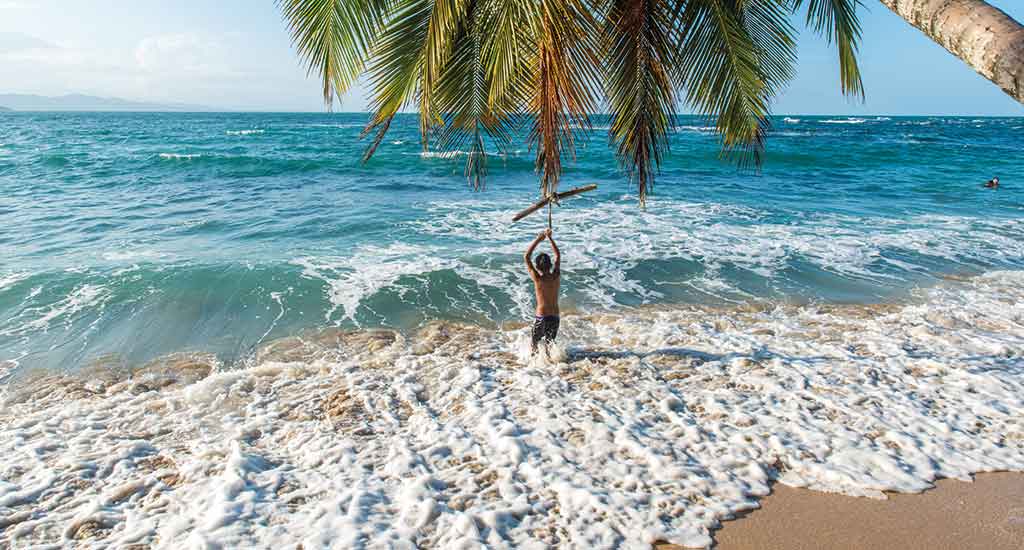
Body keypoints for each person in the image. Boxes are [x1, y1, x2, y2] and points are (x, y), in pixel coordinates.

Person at [525, 228, 561, 354]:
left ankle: (536, 365)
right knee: (549, 344)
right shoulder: (556, 275)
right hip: (555, 316)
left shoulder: (537, 278)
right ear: (550, 264)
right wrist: (550, 238)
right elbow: (557, 255)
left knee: (534, 343)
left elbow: (526, 256)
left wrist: (539, 239)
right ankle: (551, 367)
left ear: (538, 266)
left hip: (542, 316)